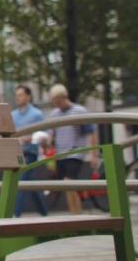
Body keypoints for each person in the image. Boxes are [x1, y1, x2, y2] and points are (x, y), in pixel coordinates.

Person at [47, 84, 97, 214]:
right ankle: (74, 212)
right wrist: (48, 150)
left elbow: (90, 132)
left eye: (56, 100)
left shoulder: (79, 111)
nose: (55, 103)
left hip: (75, 152)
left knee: (68, 182)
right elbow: (51, 135)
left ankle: (77, 213)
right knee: (67, 186)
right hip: (61, 153)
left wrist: (93, 154)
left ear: (63, 97)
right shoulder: (54, 114)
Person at [11, 85, 49, 217]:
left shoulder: (36, 114)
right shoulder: (13, 115)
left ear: (28, 96)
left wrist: (29, 137)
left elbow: (43, 133)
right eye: (16, 95)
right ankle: (44, 213)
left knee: (20, 182)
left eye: (20, 95)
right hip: (15, 152)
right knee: (30, 184)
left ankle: (15, 215)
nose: (18, 98)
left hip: (29, 153)